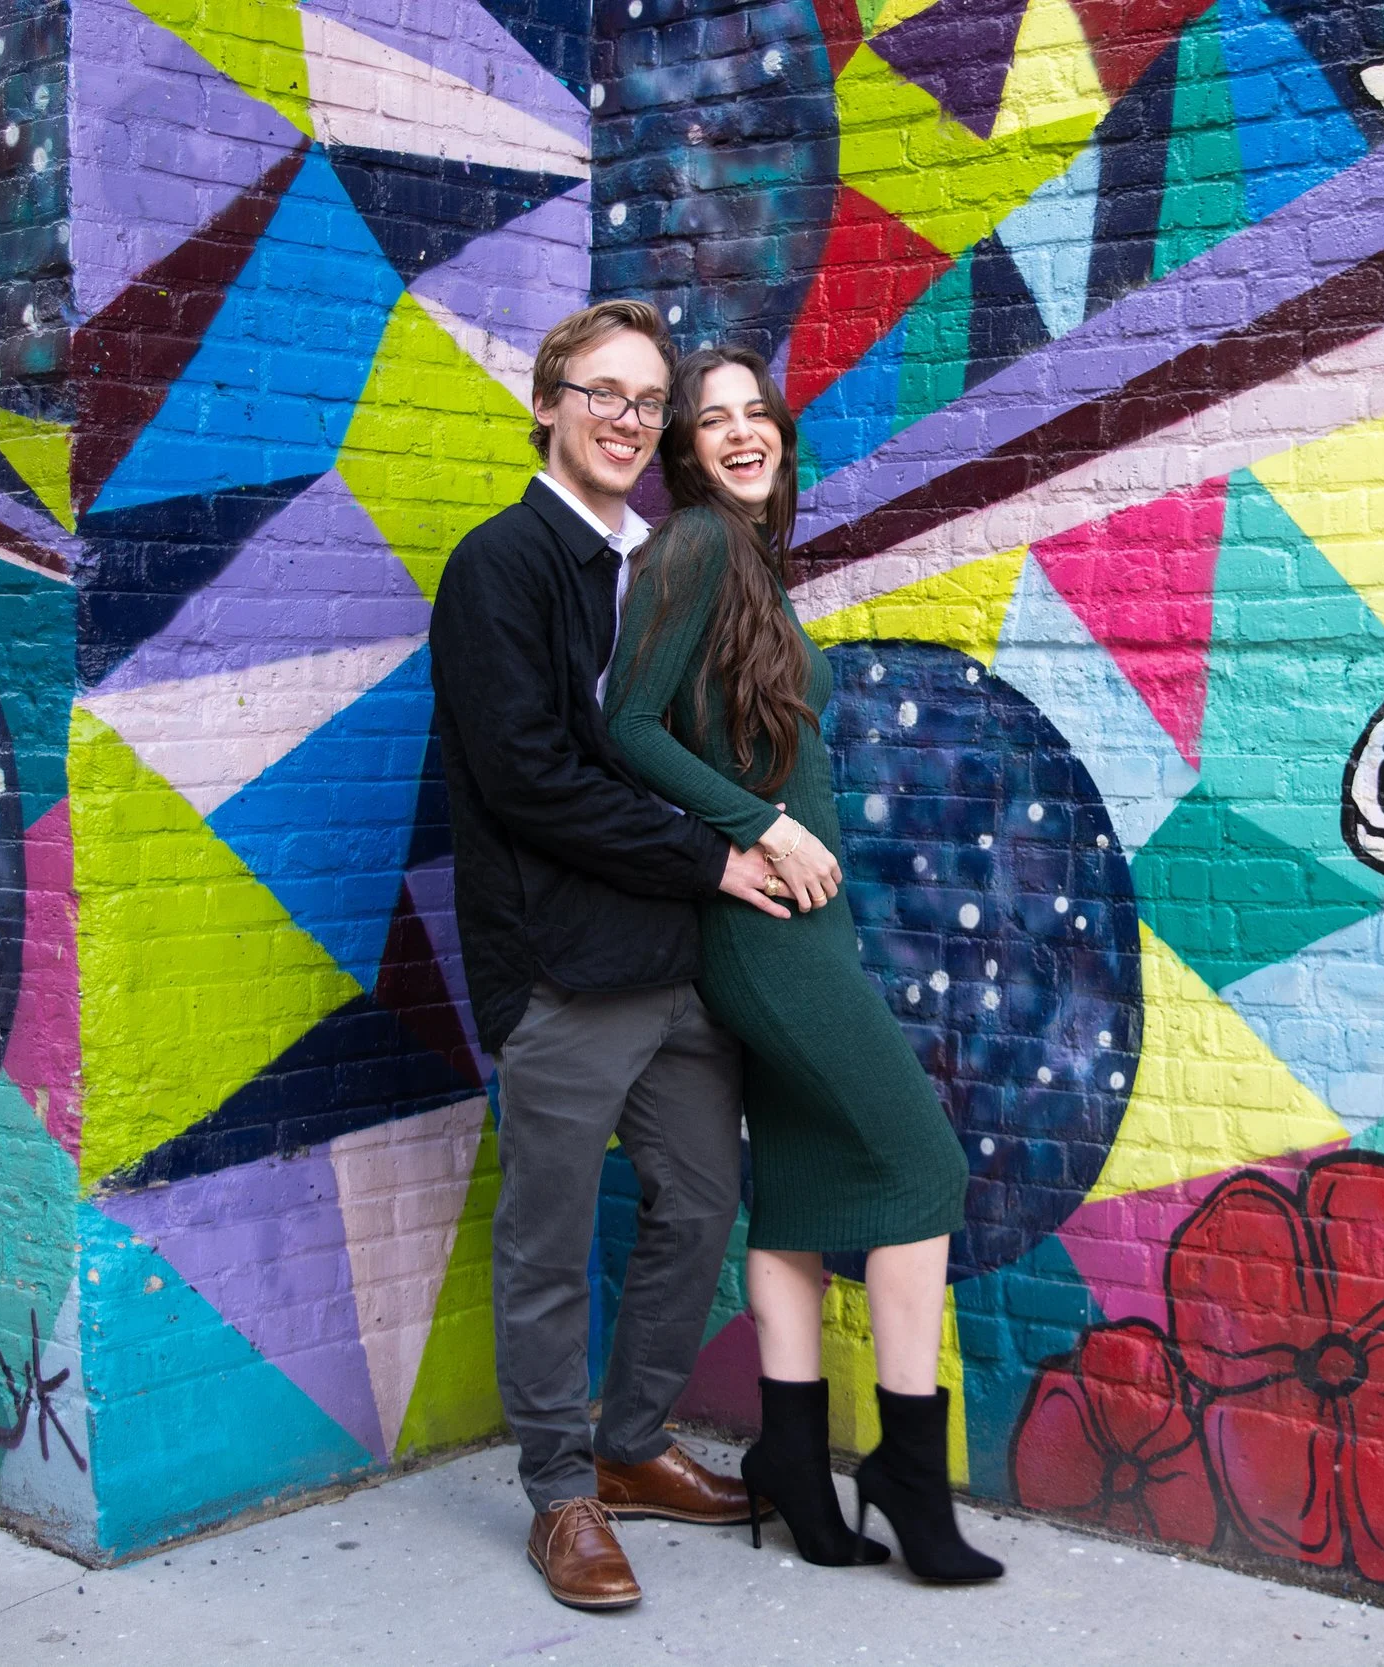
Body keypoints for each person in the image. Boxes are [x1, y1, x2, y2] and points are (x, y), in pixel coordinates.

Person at [603, 345, 1003, 1583]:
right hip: (761, 919)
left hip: (797, 917)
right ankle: (903, 1471)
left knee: (800, 1184)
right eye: (708, 419)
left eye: (752, 414)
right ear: (683, 451)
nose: (736, 432)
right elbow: (623, 724)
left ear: (780, 432)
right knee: (921, 1163)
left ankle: (788, 1456)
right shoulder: (697, 547)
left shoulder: (749, 561)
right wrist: (759, 824)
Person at [428, 302, 795, 1611]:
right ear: (548, 402)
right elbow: (530, 779)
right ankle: (560, 1488)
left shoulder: (659, 560)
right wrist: (714, 855)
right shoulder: (500, 567)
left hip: (673, 964)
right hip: (563, 972)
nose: (630, 418)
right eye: (605, 392)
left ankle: (634, 1441)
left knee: (699, 1201)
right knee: (548, 1233)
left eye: (650, 401)